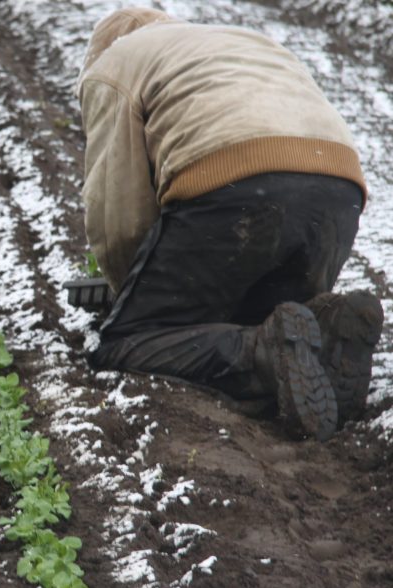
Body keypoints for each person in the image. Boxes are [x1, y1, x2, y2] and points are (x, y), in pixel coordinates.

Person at [78, 8, 384, 441]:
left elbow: (120, 216)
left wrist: (132, 294)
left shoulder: (113, 65)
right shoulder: (240, 43)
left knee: (126, 341)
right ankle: (330, 328)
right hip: (338, 188)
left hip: (239, 187)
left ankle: (261, 355)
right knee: (261, 313)